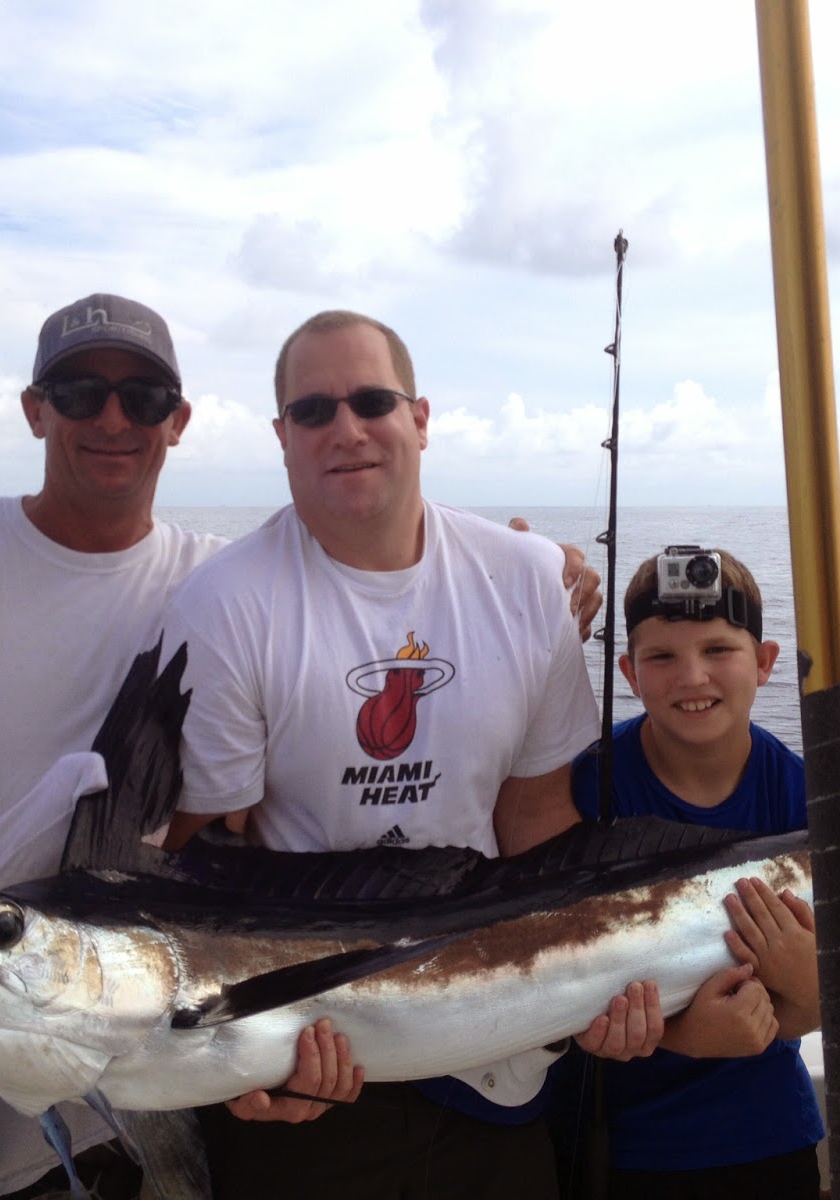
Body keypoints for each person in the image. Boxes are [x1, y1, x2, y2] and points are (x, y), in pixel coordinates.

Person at [0, 294, 604, 1200]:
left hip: (132, 1082)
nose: (112, 419)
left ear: (180, 420)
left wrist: (526, 574)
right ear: (36, 410)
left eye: (142, 396)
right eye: (80, 393)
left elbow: (345, 599)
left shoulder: (215, 586)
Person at [158, 309, 645, 1200]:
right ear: (281, 438)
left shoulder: (529, 578)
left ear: (420, 418)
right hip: (315, 1059)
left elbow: (537, 823)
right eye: (312, 412)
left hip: (492, 1051)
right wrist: (236, 1071)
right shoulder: (223, 605)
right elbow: (206, 865)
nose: (344, 430)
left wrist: (604, 980)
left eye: (371, 401)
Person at [552, 545, 824, 1200]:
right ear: (629, 672)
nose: (692, 677)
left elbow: (815, 998)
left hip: (768, 1132)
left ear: (765, 663)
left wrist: (809, 988)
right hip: (612, 1139)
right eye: (663, 657)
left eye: (718, 650)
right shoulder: (585, 785)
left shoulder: (807, 795)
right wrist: (683, 1038)